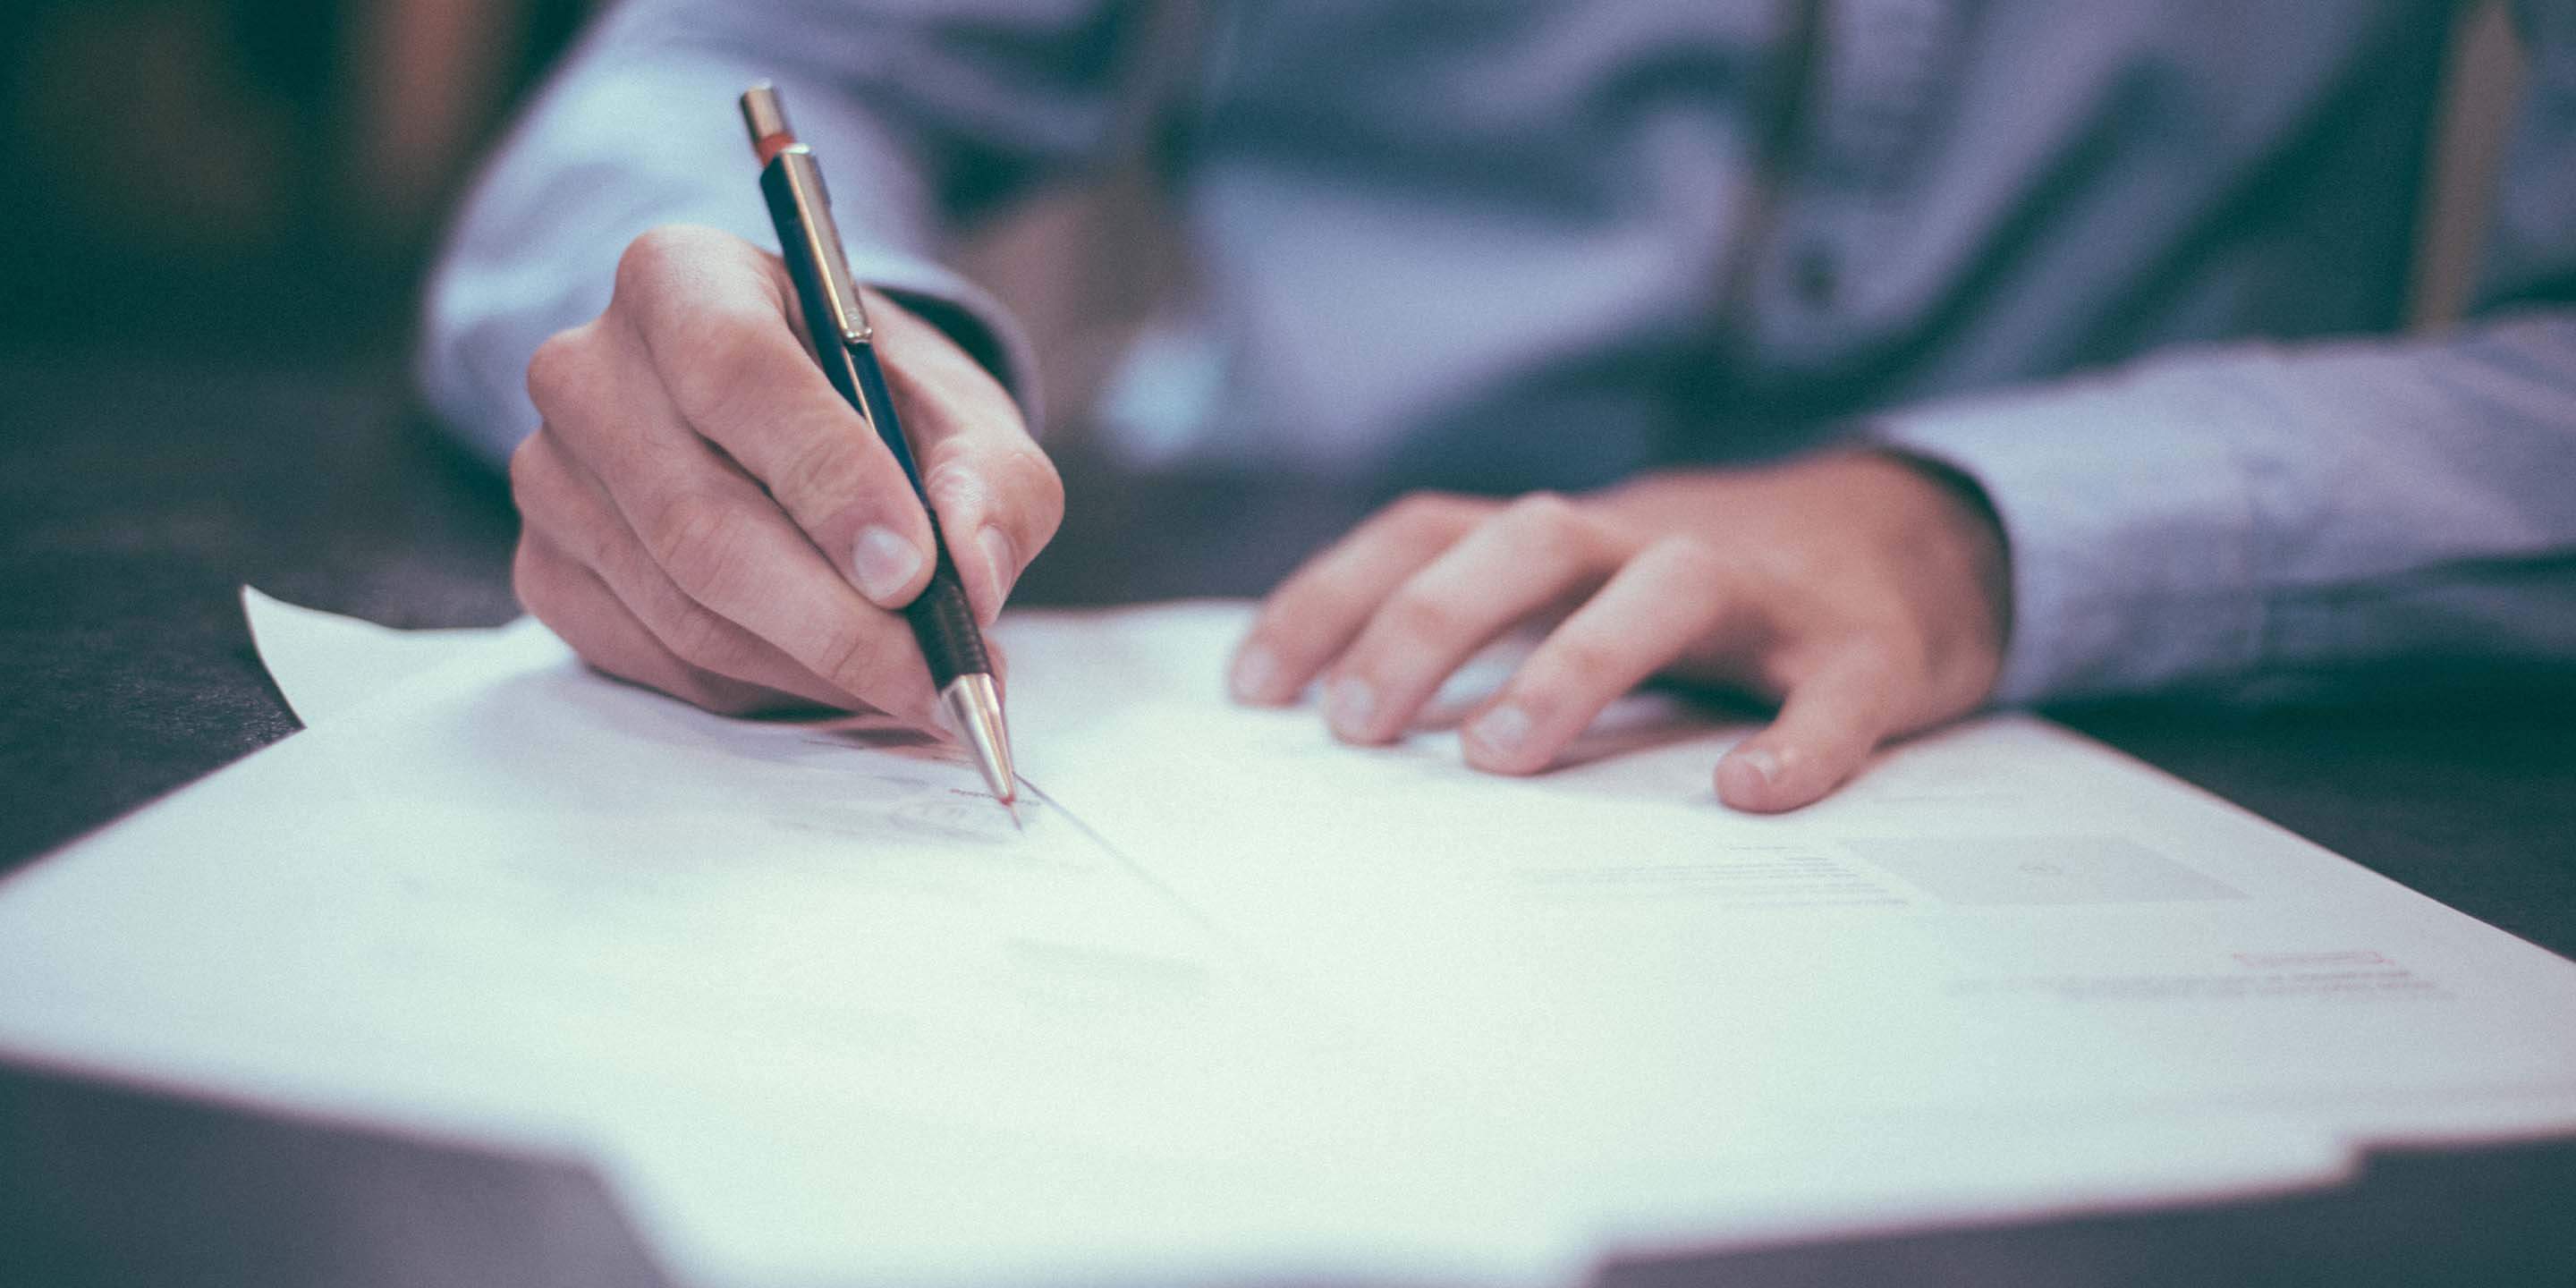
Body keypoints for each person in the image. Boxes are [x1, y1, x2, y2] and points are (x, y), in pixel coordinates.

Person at [420, 0, 2576, 812]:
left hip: (2175, 728)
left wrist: (1978, 521)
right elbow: (746, 64)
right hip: (1259, 634)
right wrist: (802, 365)